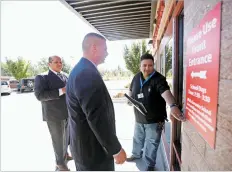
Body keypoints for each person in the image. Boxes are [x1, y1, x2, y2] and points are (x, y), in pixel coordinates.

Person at [66, 32, 127, 171]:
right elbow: (96, 117)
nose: (107, 53)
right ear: (94, 48)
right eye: (105, 49)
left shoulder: (81, 70)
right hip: (93, 152)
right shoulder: (86, 73)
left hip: (87, 149)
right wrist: (115, 149)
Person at [126, 53, 185, 171]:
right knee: (137, 138)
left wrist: (173, 105)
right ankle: (136, 154)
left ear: (153, 65)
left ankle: (149, 164)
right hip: (139, 118)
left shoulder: (159, 79)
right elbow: (131, 90)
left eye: (150, 65)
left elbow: (166, 92)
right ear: (140, 66)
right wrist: (129, 99)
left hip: (154, 120)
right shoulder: (136, 77)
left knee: (151, 143)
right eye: (144, 65)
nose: (147, 68)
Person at [34, 56, 72, 171]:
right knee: (58, 139)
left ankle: (65, 155)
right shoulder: (42, 77)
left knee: (66, 137)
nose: (59, 64)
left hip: (67, 112)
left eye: (61, 62)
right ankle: (60, 163)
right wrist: (61, 91)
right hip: (54, 115)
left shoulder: (65, 75)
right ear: (49, 64)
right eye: (56, 62)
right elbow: (40, 96)